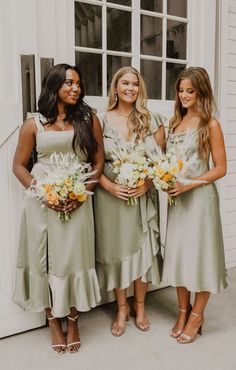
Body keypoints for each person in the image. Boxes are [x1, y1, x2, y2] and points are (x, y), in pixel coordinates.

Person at [13, 63, 104, 353]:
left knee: (73, 258)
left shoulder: (88, 119)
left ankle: (74, 319)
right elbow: (18, 166)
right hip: (42, 201)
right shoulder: (33, 124)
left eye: (78, 83)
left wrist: (83, 193)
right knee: (45, 258)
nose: (75, 88)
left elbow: (99, 161)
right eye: (68, 83)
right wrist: (45, 194)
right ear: (53, 86)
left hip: (78, 198)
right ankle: (53, 321)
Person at [94, 66, 165, 336]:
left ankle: (141, 306)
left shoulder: (151, 119)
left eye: (135, 84)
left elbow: (161, 163)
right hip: (111, 197)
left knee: (143, 249)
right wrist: (110, 186)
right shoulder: (100, 120)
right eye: (125, 83)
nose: (130, 88)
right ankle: (122, 307)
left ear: (140, 88)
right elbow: (92, 163)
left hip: (141, 197)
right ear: (115, 87)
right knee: (116, 251)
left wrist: (146, 183)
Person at [162, 66, 228, 344]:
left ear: (201, 91)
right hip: (177, 200)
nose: (184, 95)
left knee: (202, 257)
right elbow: (163, 159)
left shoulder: (210, 124)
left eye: (190, 90)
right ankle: (182, 310)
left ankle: (197, 315)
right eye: (180, 90)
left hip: (200, 200)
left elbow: (221, 168)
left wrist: (191, 183)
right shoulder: (174, 122)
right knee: (177, 255)